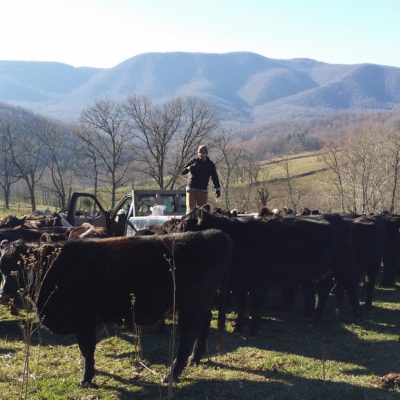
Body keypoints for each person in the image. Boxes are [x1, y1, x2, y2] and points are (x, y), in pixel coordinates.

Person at [182, 145, 221, 211]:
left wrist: (217, 188)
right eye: (199, 153)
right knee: (190, 211)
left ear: (206, 154)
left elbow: (214, 176)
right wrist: (188, 168)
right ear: (198, 153)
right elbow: (182, 172)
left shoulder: (210, 164)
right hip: (191, 189)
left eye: (203, 153)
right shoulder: (193, 161)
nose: (201, 155)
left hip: (203, 190)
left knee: (203, 212)